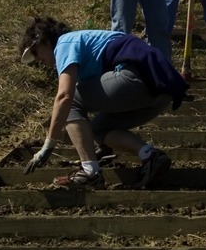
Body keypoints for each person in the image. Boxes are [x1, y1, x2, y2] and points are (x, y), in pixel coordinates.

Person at [20, 16, 188, 190]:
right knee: (99, 128)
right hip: (161, 90)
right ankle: (150, 156)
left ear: (44, 40)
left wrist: (49, 145)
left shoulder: (64, 43)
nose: (39, 61)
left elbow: (65, 97)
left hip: (136, 77)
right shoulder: (87, 42)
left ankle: (89, 172)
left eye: (36, 53)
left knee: (71, 101)